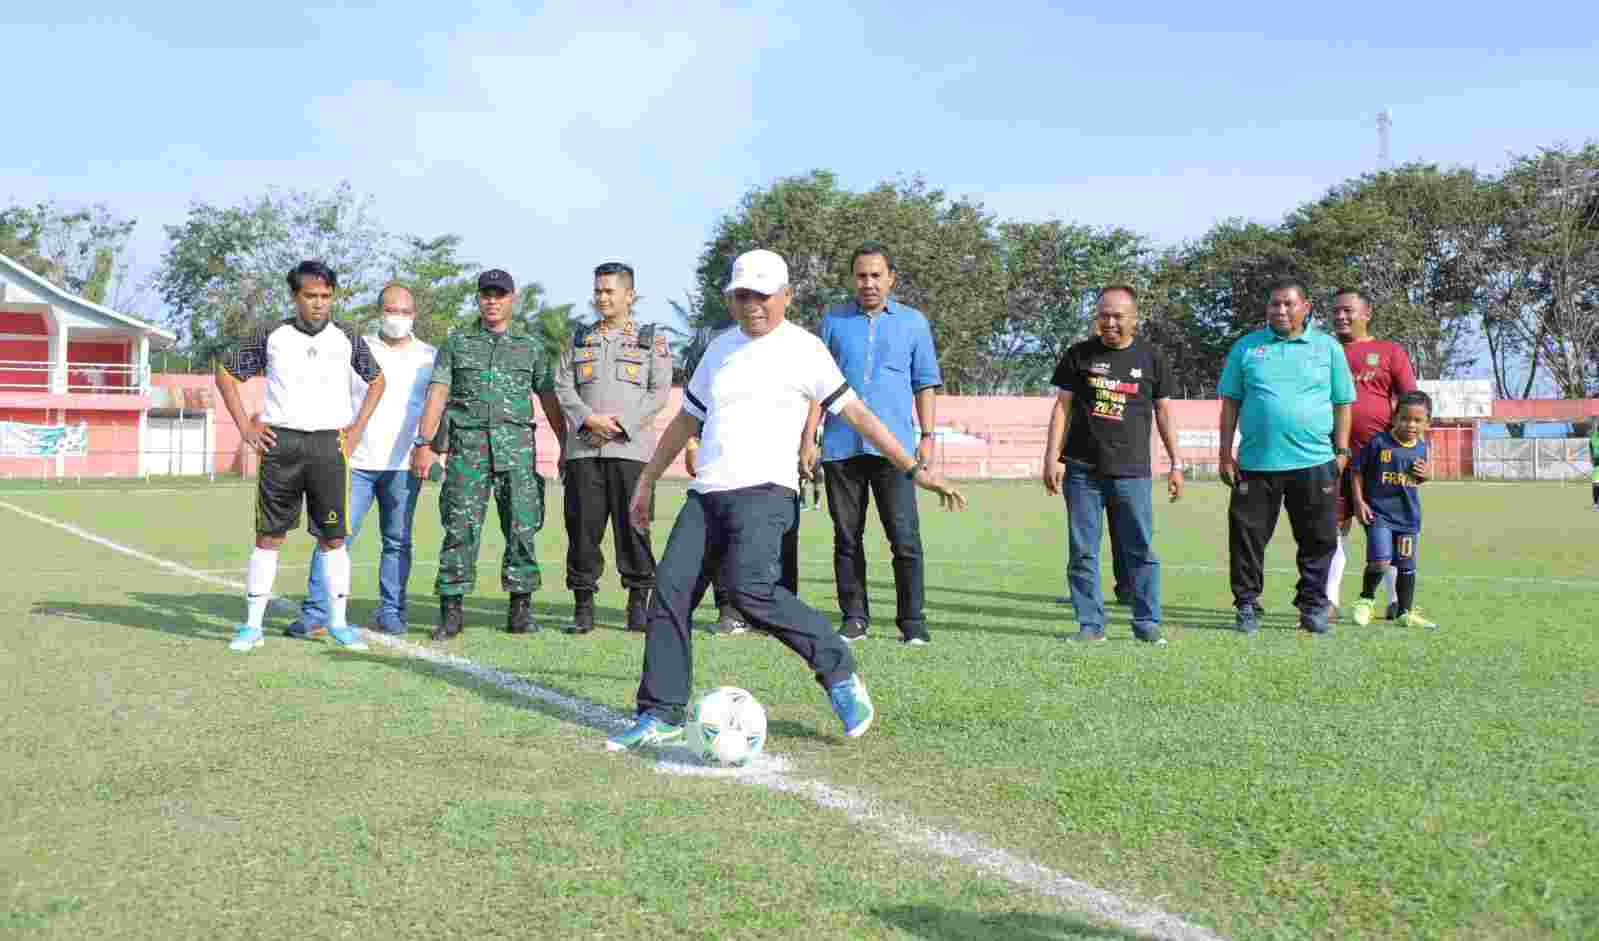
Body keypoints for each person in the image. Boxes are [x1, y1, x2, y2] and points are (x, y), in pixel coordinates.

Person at [605, 249, 966, 753]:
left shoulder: (805, 348)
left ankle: (839, 674)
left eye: (762, 295)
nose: (751, 304)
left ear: (786, 296)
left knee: (751, 591)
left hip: (766, 491)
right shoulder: (718, 350)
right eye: (742, 295)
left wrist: (912, 466)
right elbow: (687, 420)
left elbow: (858, 415)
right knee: (669, 592)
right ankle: (661, 711)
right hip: (708, 492)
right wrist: (646, 480)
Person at [215, 260, 386, 653]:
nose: (319, 304)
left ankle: (339, 623)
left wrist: (357, 428)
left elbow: (377, 381)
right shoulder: (272, 335)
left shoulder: (347, 337)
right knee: (269, 535)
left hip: (329, 445)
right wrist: (245, 426)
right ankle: (252, 627)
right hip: (282, 445)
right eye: (311, 296)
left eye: (326, 296)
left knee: (333, 537)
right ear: (295, 297)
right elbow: (227, 374)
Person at [803, 242, 943, 645]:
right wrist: (811, 437)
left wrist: (928, 437)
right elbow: (817, 387)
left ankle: (912, 623)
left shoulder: (914, 323)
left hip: (894, 452)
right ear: (853, 279)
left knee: (905, 538)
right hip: (842, 447)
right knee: (847, 537)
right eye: (861, 275)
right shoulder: (833, 320)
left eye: (876, 275)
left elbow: (925, 383)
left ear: (891, 278)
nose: (869, 283)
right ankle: (854, 618)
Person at [410, 269, 562, 640]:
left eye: (500, 294)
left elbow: (549, 397)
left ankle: (520, 611)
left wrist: (565, 445)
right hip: (468, 453)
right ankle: (451, 612)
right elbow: (438, 393)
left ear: (513, 298)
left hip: (517, 455)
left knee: (522, 529)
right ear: (478, 298)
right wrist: (424, 443)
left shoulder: (530, 345)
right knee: (460, 531)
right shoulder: (458, 343)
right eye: (486, 294)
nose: (492, 301)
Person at [282, 285, 436, 638]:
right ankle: (317, 612)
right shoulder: (354, 348)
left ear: (414, 315)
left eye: (404, 311)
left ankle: (392, 612)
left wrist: (429, 447)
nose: (397, 317)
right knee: (334, 537)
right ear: (379, 311)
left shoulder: (430, 356)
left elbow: (435, 406)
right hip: (355, 463)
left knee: (398, 542)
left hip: (403, 467)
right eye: (391, 310)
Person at [1042, 285, 1184, 645]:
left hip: (1132, 472)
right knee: (1083, 551)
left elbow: (1165, 412)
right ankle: (1091, 625)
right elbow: (1062, 407)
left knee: (1140, 549)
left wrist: (1176, 463)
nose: (1109, 322)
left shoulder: (1152, 358)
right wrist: (1051, 456)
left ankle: (1147, 622)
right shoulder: (1078, 355)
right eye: (1104, 315)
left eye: (1118, 316)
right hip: (1082, 471)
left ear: (1134, 318)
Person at [1219, 278, 1356, 635]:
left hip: (1314, 461)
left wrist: (1341, 451)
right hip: (1256, 463)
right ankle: (1247, 604)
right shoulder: (1247, 348)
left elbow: (1343, 403)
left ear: (1305, 307)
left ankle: (1312, 604)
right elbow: (1230, 402)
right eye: (1274, 305)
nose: (1280, 310)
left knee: (1319, 539)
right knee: (1246, 539)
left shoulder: (1327, 348)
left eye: (1288, 304)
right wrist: (1224, 453)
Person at [552, 262, 672, 634]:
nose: (602, 297)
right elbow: (562, 385)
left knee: (634, 528)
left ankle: (638, 606)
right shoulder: (578, 339)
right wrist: (588, 419)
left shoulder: (651, 339)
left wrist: (620, 425)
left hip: (630, 451)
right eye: (598, 291)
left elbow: (659, 391)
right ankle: (583, 608)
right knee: (582, 531)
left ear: (629, 296)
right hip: (585, 452)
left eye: (610, 291)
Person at [1325, 288, 1418, 620]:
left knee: (1387, 529)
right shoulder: (1324, 351)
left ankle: (1397, 601)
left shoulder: (1390, 352)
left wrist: (1418, 453)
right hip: (1331, 455)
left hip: (1381, 462)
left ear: (1367, 313)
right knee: (1332, 529)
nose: (1340, 316)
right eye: (1336, 311)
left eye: (1348, 310)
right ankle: (1328, 601)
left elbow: (1413, 403)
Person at [1349, 391, 1437, 629]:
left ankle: (1405, 613)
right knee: (1381, 561)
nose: (1411, 424)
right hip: (1379, 514)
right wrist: (1359, 502)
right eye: (1405, 418)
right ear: (1395, 417)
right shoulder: (1379, 443)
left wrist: (1427, 476)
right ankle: (1365, 600)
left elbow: (1417, 479)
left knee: (1407, 566)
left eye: (1418, 420)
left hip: (1408, 517)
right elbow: (1356, 471)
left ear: (1427, 423)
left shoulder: (1422, 447)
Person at [1589, 418, 1599, 510]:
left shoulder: (1593, 437)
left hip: (1596, 461)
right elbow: (1591, 448)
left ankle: (1596, 504)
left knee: (1596, 484)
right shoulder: (1593, 438)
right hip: (1597, 462)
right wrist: (1591, 458)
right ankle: (1596, 504)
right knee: (1595, 483)